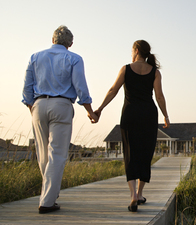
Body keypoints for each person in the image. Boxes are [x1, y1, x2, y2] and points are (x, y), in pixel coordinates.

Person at [22, 25, 98, 214]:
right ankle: (47, 201)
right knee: (57, 154)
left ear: (53, 40)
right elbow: (81, 87)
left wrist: (33, 107)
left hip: (38, 105)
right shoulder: (74, 59)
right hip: (62, 105)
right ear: (70, 43)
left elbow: (27, 88)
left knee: (43, 153)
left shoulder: (35, 57)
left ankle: (50, 193)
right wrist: (90, 111)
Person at [95, 40, 169, 212]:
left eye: (131, 51)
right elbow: (159, 96)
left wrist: (100, 109)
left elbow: (113, 90)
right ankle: (140, 192)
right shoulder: (155, 72)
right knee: (145, 153)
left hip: (129, 114)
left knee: (130, 153)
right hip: (148, 115)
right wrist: (166, 115)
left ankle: (133, 195)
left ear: (136, 51)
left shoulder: (126, 69)